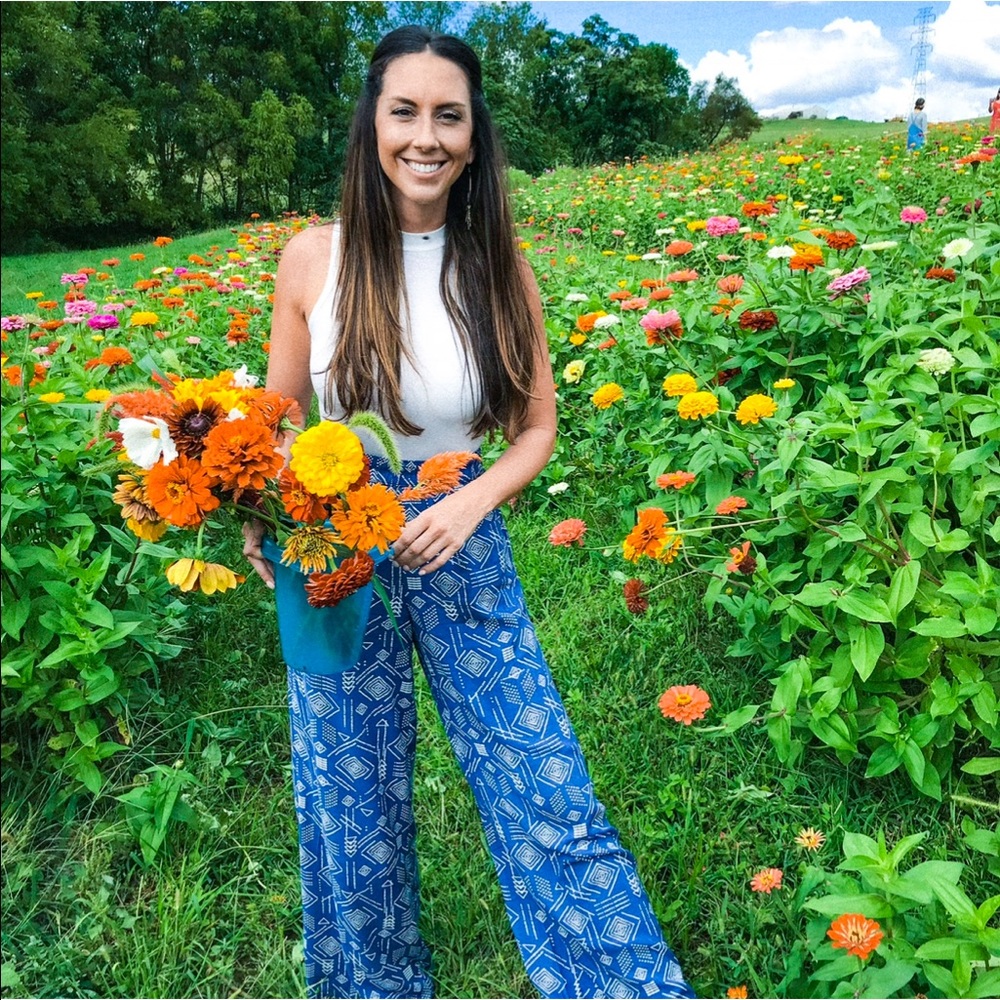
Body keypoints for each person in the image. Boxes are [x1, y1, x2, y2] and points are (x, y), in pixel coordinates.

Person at [243, 24, 694, 1000]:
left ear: (474, 135)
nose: (425, 136)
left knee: (543, 780)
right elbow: (276, 419)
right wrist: (256, 493)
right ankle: (373, 986)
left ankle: (617, 982)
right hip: (332, 535)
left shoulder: (497, 269)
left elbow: (535, 429)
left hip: (460, 525)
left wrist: (472, 499)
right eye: (403, 110)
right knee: (349, 800)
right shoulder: (311, 261)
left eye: (448, 115)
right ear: (372, 123)